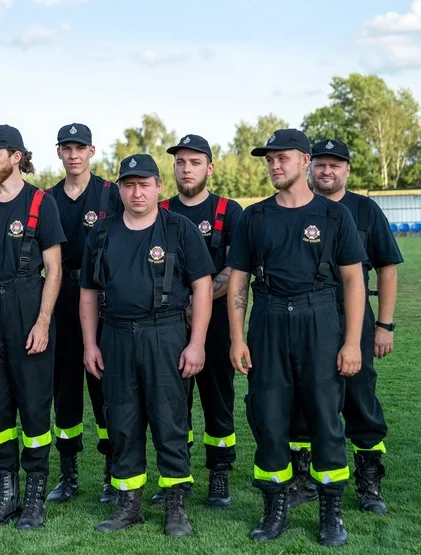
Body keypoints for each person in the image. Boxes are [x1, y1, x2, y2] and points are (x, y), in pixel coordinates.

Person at [226, 129, 366, 547]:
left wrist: (353, 341)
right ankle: (276, 508)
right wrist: (237, 338)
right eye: (269, 159)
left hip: (319, 317)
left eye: (282, 158)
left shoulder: (334, 215)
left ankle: (330, 511)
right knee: (269, 418)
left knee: (325, 417)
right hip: (268, 320)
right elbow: (238, 281)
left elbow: (354, 281)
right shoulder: (255, 217)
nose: (274, 165)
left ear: (305, 161)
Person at [81, 154, 214, 536]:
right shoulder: (102, 233)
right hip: (117, 334)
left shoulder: (180, 229)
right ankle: (129, 504)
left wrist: (197, 343)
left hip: (166, 333)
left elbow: (203, 286)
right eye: (129, 185)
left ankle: (175, 506)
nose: (136, 192)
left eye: (144, 184)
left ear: (158, 186)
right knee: (121, 421)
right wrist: (90, 343)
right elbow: (88, 292)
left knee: (170, 419)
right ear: (119, 189)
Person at [286, 139, 403, 514]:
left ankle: (368, 480)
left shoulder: (365, 210)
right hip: (305, 319)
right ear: (309, 167)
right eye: (320, 164)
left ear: (347, 170)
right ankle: (302, 477)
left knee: (359, 396)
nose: (326, 171)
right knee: (303, 397)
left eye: (335, 165)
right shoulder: (296, 208)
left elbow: (386, 268)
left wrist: (384, 325)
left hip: (352, 316)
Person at [0, 124, 65, 530]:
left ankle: (35, 498)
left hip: (26, 305)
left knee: (35, 407)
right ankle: (6, 496)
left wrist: (42, 322)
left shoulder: (41, 202)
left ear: (16, 156)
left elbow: (53, 269)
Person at [154, 134, 243, 508]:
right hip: (169, 322)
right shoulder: (158, 209)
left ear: (210, 167)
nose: (186, 169)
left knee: (217, 398)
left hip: (218, 322)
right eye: (180, 163)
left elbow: (236, 270)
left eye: (194, 162)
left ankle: (219, 472)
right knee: (173, 402)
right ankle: (178, 474)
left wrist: (198, 300)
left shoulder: (229, 210)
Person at [44, 123, 122, 505]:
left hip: (103, 299)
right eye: (66, 148)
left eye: (80, 148)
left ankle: (112, 473)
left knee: (105, 387)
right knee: (65, 389)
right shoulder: (46, 199)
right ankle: (68, 473)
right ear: (58, 152)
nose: (73, 155)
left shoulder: (111, 194)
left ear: (92, 151)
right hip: (60, 296)